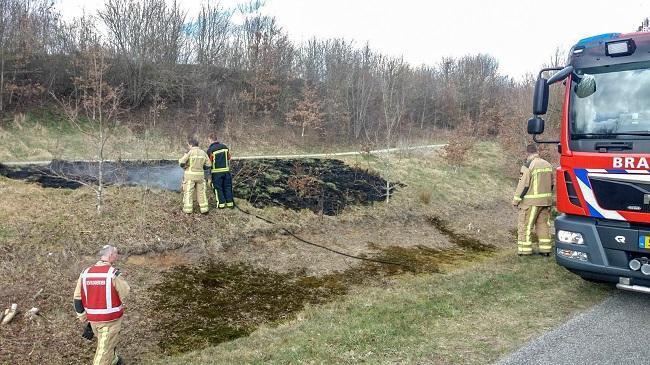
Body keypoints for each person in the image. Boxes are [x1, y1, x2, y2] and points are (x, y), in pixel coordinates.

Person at [73, 245, 130, 365]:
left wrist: (82, 316)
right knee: (103, 353)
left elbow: (77, 297)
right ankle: (112, 360)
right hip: (110, 321)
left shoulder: (86, 272)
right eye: (116, 254)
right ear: (110, 256)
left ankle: (115, 360)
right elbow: (125, 292)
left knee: (107, 344)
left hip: (94, 321)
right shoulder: (113, 274)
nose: (117, 256)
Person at [513, 144, 554, 256]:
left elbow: (523, 185)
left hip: (530, 203)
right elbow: (551, 184)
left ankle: (524, 251)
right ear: (537, 152)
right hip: (545, 202)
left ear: (527, 153)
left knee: (525, 226)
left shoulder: (528, 165)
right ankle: (545, 250)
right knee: (543, 225)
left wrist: (516, 200)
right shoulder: (548, 164)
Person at [179, 137, 211, 214]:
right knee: (201, 192)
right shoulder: (203, 153)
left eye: (188, 145)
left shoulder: (190, 152)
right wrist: (201, 168)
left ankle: (188, 210)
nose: (188, 147)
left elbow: (181, 163)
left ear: (191, 145)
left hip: (190, 177)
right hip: (200, 176)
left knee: (188, 192)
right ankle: (204, 210)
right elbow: (209, 165)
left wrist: (185, 167)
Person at [206, 134, 234, 209]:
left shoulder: (210, 150)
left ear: (210, 140)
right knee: (228, 187)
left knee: (218, 188)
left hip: (216, 173)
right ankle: (230, 204)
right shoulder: (225, 147)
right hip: (226, 172)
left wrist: (208, 176)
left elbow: (209, 163)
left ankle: (221, 205)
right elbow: (229, 158)